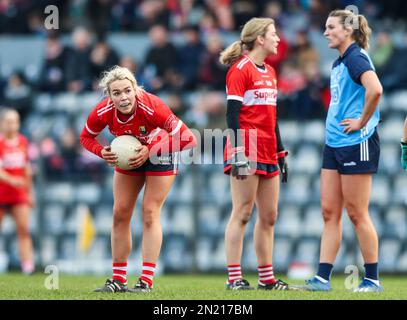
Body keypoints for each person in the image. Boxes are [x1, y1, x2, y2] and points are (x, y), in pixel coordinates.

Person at [79, 66, 197, 293]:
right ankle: (118, 280)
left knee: (150, 212)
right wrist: (101, 151)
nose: (123, 97)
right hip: (128, 157)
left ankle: (145, 281)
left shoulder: (152, 106)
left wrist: (150, 150)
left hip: (161, 151)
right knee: (120, 213)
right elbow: (85, 137)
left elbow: (188, 138)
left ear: (135, 89)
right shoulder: (103, 111)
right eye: (116, 93)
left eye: (127, 91)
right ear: (109, 96)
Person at [301, 10, 383, 292]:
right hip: (335, 144)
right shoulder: (340, 61)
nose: (325, 32)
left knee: (357, 213)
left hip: (356, 143)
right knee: (328, 212)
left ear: (347, 30)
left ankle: (371, 278)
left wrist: (361, 121)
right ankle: (323, 277)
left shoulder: (356, 57)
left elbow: (376, 90)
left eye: (330, 27)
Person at [219, 17, 290, 290]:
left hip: (269, 148)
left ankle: (266, 279)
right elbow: (232, 115)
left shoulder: (271, 72)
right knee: (243, 212)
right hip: (246, 146)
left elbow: (273, 117)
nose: (278, 39)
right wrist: (237, 150)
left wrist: (281, 151)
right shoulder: (240, 70)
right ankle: (234, 278)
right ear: (260, 38)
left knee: (269, 216)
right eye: (274, 34)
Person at [0, 108, 35, 275]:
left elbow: (27, 169)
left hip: (18, 194)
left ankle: (27, 266)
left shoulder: (23, 141)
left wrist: (30, 193)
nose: (12, 125)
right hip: (2, 192)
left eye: (15, 122)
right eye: (8, 122)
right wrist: (12, 179)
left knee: (23, 230)